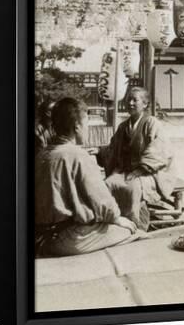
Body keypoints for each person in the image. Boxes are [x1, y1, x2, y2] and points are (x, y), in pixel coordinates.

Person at [35, 97, 139, 257]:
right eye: (87, 124)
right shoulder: (77, 155)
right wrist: (118, 219)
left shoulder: (42, 154)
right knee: (131, 230)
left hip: (40, 235)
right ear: (77, 127)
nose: (88, 129)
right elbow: (102, 201)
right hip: (69, 238)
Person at [101, 87, 175, 231]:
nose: (131, 103)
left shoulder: (152, 123)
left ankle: (135, 225)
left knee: (132, 188)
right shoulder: (123, 126)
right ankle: (112, 220)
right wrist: (99, 152)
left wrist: (140, 170)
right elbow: (113, 148)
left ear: (145, 104)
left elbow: (159, 149)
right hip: (126, 171)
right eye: (129, 99)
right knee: (108, 183)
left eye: (135, 100)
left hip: (150, 172)